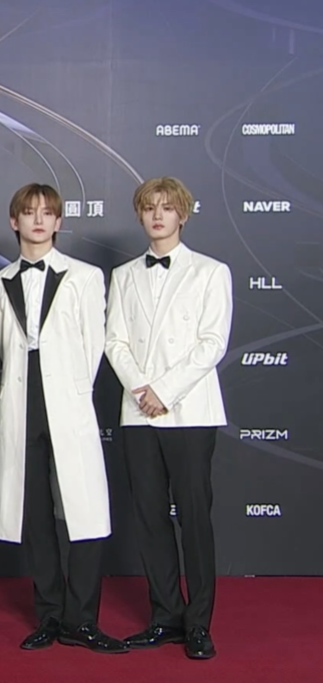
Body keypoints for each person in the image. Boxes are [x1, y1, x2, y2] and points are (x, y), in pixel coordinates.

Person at [0, 184, 126, 654]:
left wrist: (72, 394)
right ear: (15, 221)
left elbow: (93, 347)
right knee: (35, 513)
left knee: (85, 511)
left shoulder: (85, 277)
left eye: (47, 213)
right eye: (29, 213)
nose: (39, 220)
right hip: (18, 404)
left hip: (69, 402)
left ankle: (82, 620)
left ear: (59, 221)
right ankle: (49, 614)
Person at [105, 177, 232, 661]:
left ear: (183, 214)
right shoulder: (123, 275)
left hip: (190, 411)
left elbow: (212, 343)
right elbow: (114, 340)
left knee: (194, 519)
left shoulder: (211, 272)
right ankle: (165, 616)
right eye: (149, 207)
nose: (158, 215)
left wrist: (165, 391)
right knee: (150, 517)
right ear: (140, 215)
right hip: (139, 413)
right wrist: (143, 390)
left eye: (167, 207)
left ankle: (198, 624)